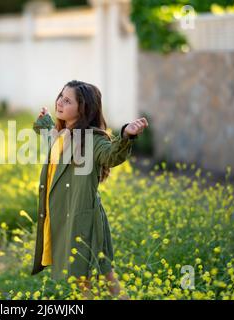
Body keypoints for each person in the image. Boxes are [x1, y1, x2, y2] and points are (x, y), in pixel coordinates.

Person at [30, 80, 149, 299]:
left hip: (84, 218)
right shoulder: (61, 135)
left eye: (68, 100)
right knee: (91, 277)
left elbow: (112, 155)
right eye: (60, 96)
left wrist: (126, 135)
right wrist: (44, 120)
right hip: (68, 218)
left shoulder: (92, 140)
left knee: (98, 276)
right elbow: (49, 134)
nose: (60, 102)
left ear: (82, 108)